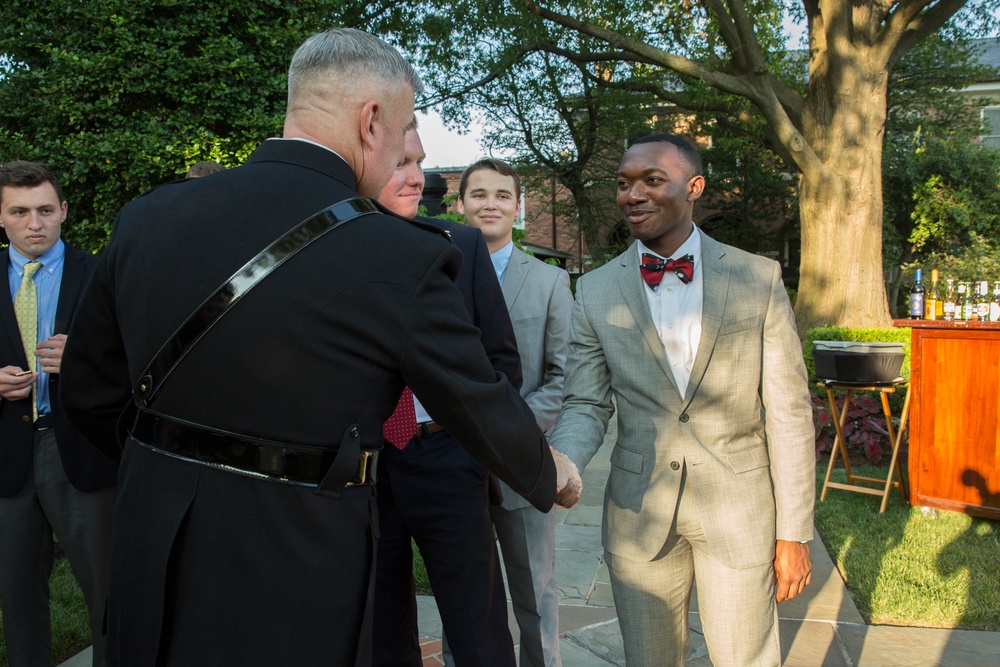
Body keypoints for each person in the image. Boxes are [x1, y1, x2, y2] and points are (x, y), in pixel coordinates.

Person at [60, 29, 578, 666]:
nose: (401, 159)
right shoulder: (399, 255)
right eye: (404, 129)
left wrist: (166, 469)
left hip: (152, 542)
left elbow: (87, 393)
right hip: (297, 556)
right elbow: (475, 396)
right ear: (371, 121)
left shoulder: (148, 216)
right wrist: (548, 471)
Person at [548, 134, 815, 667]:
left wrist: (794, 533)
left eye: (652, 180)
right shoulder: (596, 290)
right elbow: (586, 402)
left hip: (739, 512)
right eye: (624, 183)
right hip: (638, 513)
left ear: (693, 187)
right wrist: (562, 460)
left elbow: (789, 411)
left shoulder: (756, 277)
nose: (633, 194)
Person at [373, 128, 525, 666]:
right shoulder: (337, 247)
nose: (413, 175)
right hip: (365, 467)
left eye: (419, 161)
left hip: (447, 458)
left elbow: (502, 362)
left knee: (476, 623)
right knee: (380, 624)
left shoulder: (459, 246)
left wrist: (473, 450)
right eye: (399, 162)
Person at [455, 158, 573, 667]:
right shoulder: (438, 275)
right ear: (460, 205)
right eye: (478, 194)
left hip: (521, 464)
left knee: (535, 593)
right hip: (453, 462)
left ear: (518, 208)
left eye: (503, 195)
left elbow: (563, 377)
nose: (490, 204)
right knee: (467, 595)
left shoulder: (549, 283)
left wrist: (507, 431)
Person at [0, 161, 118, 667]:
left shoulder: (101, 275)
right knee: (18, 592)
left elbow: (137, 364)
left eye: (46, 210)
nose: (35, 223)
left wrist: (85, 359)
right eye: (20, 211)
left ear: (64, 211)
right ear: (0, 216)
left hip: (80, 451)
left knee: (106, 590)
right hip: (8, 455)